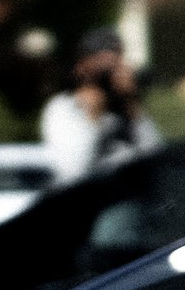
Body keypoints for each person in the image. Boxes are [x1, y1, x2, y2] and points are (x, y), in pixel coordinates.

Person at [39, 28, 161, 183]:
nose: (107, 75)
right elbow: (72, 171)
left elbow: (156, 158)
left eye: (114, 65)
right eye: (99, 64)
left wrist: (132, 106)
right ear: (80, 68)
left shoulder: (125, 106)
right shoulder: (63, 108)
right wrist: (92, 119)